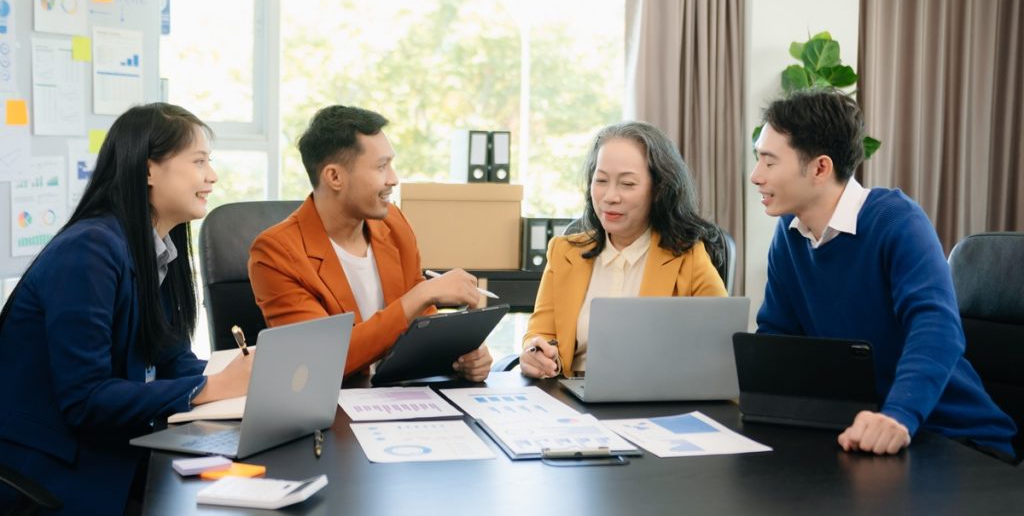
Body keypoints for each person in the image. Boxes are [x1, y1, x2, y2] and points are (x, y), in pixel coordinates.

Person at [0, 103, 253, 516]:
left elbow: (173, 362)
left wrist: (240, 376)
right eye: (199, 161)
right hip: (51, 470)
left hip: (118, 448)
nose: (213, 176)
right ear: (149, 170)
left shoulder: (156, 249)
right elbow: (86, 399)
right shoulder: (89, 251)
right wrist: (211, 388)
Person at [751, 88, 1016, 458]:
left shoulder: (896, 221)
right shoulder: (789, 236)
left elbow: (937, 327)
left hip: (953, 437)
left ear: (820, 168)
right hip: (858, 434)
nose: (755, 176)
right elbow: (778, 337)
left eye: (769, 162)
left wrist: (898, 416)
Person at [249, 105, 492, 380]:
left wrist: (461, 354)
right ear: (334, 177)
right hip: (333, 407)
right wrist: (424, 293)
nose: (394, 179)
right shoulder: (275, 252)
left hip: (401, 396)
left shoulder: (393, 224)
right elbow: (322, 360)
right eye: (381, 166)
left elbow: (422, 321)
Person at [520, 121, 727, 379]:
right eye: (601, 180)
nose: (610, 196)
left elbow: (720, 344)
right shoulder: (563, 253)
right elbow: (541, 334)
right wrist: (535, 354)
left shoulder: (688, 256)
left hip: (653, 397)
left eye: (627, 184)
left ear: (658, 189)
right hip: (572, 398)